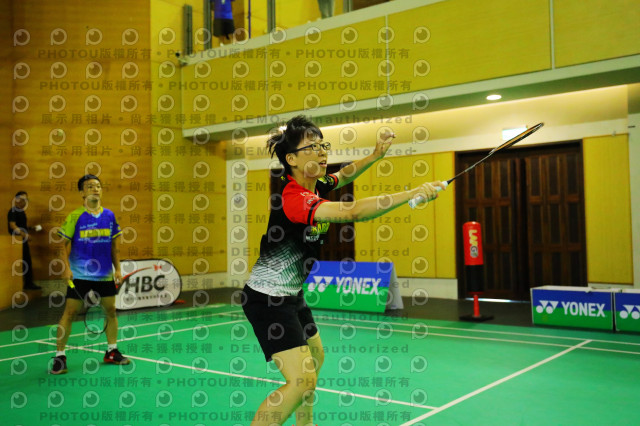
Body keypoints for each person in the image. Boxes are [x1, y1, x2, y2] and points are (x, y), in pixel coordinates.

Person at [241, 115, 444, 425]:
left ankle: (306, 424)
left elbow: (344, 175)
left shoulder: (317, 184)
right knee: (301, 381)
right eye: (312, 147)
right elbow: (353, 211)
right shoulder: (294, 198)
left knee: (316, 358)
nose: (322, 152)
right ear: (292, 159)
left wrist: (375, 155)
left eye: (323, 145)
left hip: (291, 295)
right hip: (267, 298)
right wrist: (411, 193)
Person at [50, 175, 129, 375]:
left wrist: (118, 269)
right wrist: (65, 268)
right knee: (70, 313)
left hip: (104, 275)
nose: (95, 189)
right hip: (80, 274)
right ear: (82, 193)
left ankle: (112, 351)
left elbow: (114, 246)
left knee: (111, 311)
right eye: (90, 186)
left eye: (98, 186)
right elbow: (61, 245)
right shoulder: (74, 216)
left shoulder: (109, 215)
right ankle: (60, 357)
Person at [7, 191, 42, 290]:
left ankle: (28, 283)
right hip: (16, 242)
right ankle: (25, 284)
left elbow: (21, 226)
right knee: (24, 262)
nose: (25, 202)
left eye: (27, 200)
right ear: (17, 200)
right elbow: (13, 225)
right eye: (23, 199)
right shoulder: (13, 210)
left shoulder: (21, 212)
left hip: (21, 241)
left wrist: (31, 228)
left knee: (27, 262)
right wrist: (24, 234)